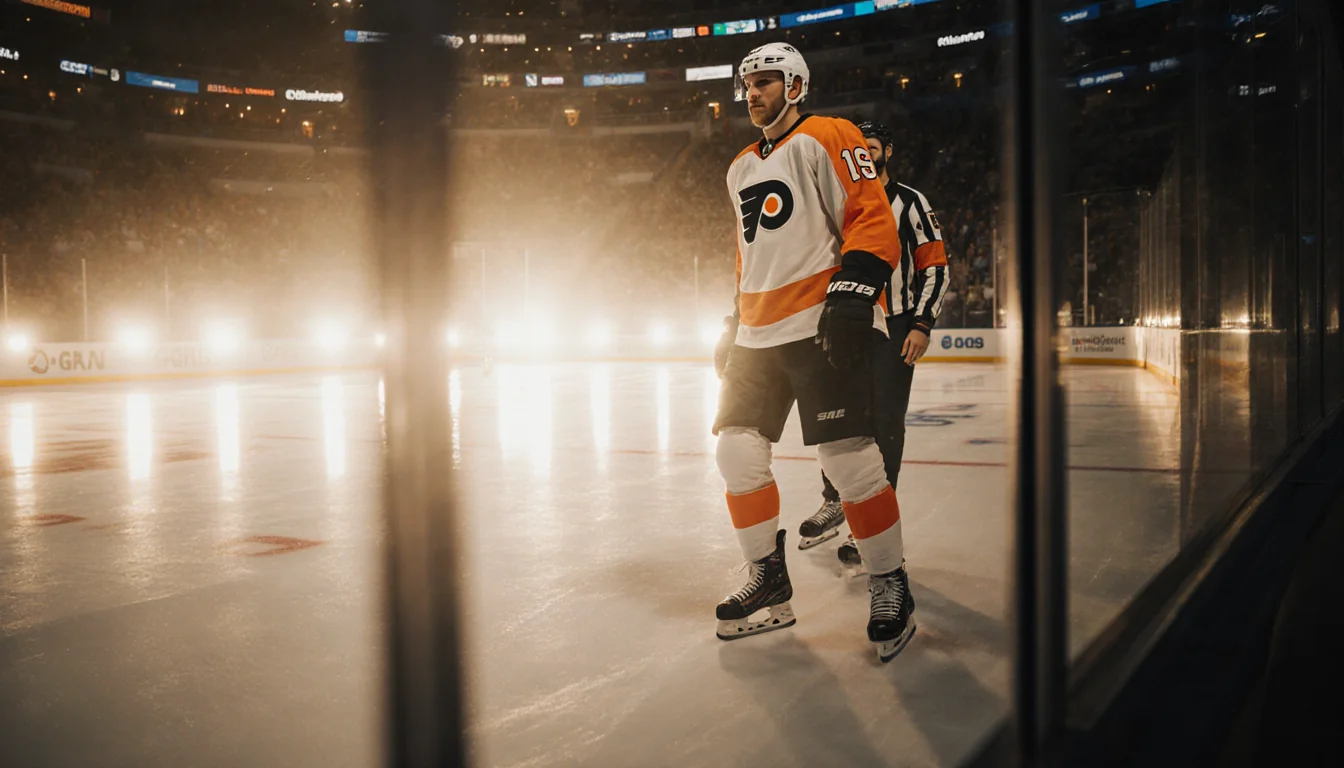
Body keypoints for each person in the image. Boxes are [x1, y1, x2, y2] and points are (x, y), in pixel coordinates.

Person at [711, 42, 915, 663]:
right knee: (735, 451)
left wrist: (855, 293)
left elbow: (871, 216)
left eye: (766, 81)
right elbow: (748, 257)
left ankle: (890, 582)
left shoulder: (831, 134)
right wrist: (733, 320)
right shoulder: (739, 167)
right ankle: (767, 578)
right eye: (747, 83)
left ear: (795, 85)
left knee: (848, 458)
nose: (753, 92)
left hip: (819, 323)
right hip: (757, 334)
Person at [795, 120, 950, 575]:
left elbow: (935, 266)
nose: (865, 152)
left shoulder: (911, 202)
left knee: (884, 424)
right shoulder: (836, 199)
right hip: (847, 322)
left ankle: (874, 528)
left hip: (895, 325)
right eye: (859, 147)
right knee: (836, 417)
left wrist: (922, 323)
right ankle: (834, 502)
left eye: (873, 146)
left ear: (888, 152)